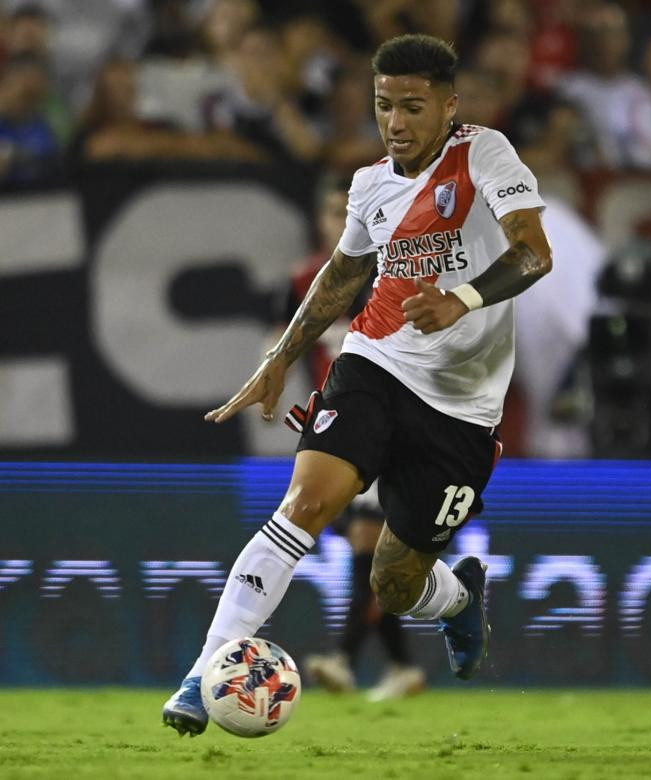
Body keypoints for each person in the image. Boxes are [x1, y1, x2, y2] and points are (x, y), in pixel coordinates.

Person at [163, 33, 552, 736]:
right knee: (306, 503)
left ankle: (458, 599)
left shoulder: (483, 154)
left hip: (463, 407)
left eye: (412, 106)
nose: (396, 122)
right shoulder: (370, 184)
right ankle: (203, 671)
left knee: (395, 584)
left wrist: (460, 299)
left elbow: (534, 252)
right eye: (383, 107)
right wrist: (281, 356)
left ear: (448, 106)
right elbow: (344, 274)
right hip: (377, 362)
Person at [280, 176, 424, 701]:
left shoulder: (391, 279)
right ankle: (403, 666)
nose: (340, 221)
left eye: (349, 211)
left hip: (385, 423)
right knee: (370, 552)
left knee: (369, 543)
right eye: (331, 211)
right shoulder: (305, 282)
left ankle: (343, 658)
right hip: (334, 427)